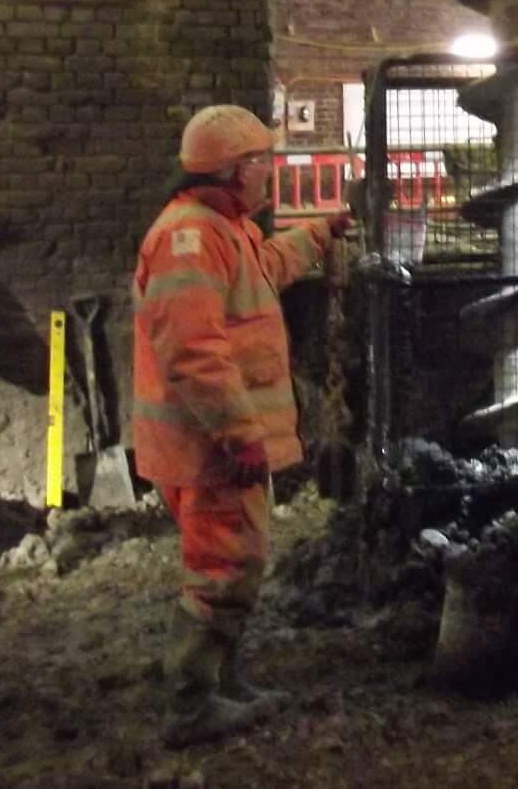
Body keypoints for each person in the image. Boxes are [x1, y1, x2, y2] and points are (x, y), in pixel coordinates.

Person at [132, 104, 350, 745]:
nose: (271, 175)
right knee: (222, 569)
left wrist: (319, 232)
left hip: (215, 444)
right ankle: (191, 702)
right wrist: (240, 434)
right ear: (233, 171)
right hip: (210, 447)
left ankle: (223, 682)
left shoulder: (223, 231)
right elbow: (196, 354)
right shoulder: (190, 240)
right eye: (264, 163)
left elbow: (266, 272)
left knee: (235, 563)